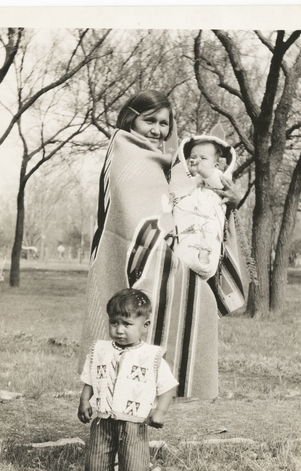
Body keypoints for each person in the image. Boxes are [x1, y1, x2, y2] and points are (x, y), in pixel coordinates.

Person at [79, 89, 240, 400]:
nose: (157, 130)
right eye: (148, 121)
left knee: (188, 312)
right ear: (130, 119)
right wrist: (159, 250)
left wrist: (228, 202)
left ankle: (146, 409)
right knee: (122, 332)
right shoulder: (126, 152)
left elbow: (194, 206)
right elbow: (128, 215)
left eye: (164, 124)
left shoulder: (173, 164)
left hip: (166, 255)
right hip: (131, 257)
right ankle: (113, 411)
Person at [78, 288, 178, 471]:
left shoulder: (151, 356)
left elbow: (168, 386)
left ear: (145, 325)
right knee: (97, 460)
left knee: (133, 464)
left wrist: (159, 411)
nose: (119, 330)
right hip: (103, 420)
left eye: (127, 324)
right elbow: (91, 378)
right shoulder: (100, 350)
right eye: (114, 323)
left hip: (134, 423)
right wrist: (85, 400)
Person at [169, 135, 237, 280]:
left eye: (203, 158)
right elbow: (178, 187)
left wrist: (202, 171)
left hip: (208, 219)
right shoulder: (187, 178)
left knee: (208, 235)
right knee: (185, 242)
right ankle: (187, 259)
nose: (196, 161)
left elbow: (218, 184)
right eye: (193, 157)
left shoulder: (217, 175)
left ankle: (204, 260)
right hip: (188, 222)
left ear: (216, 165)